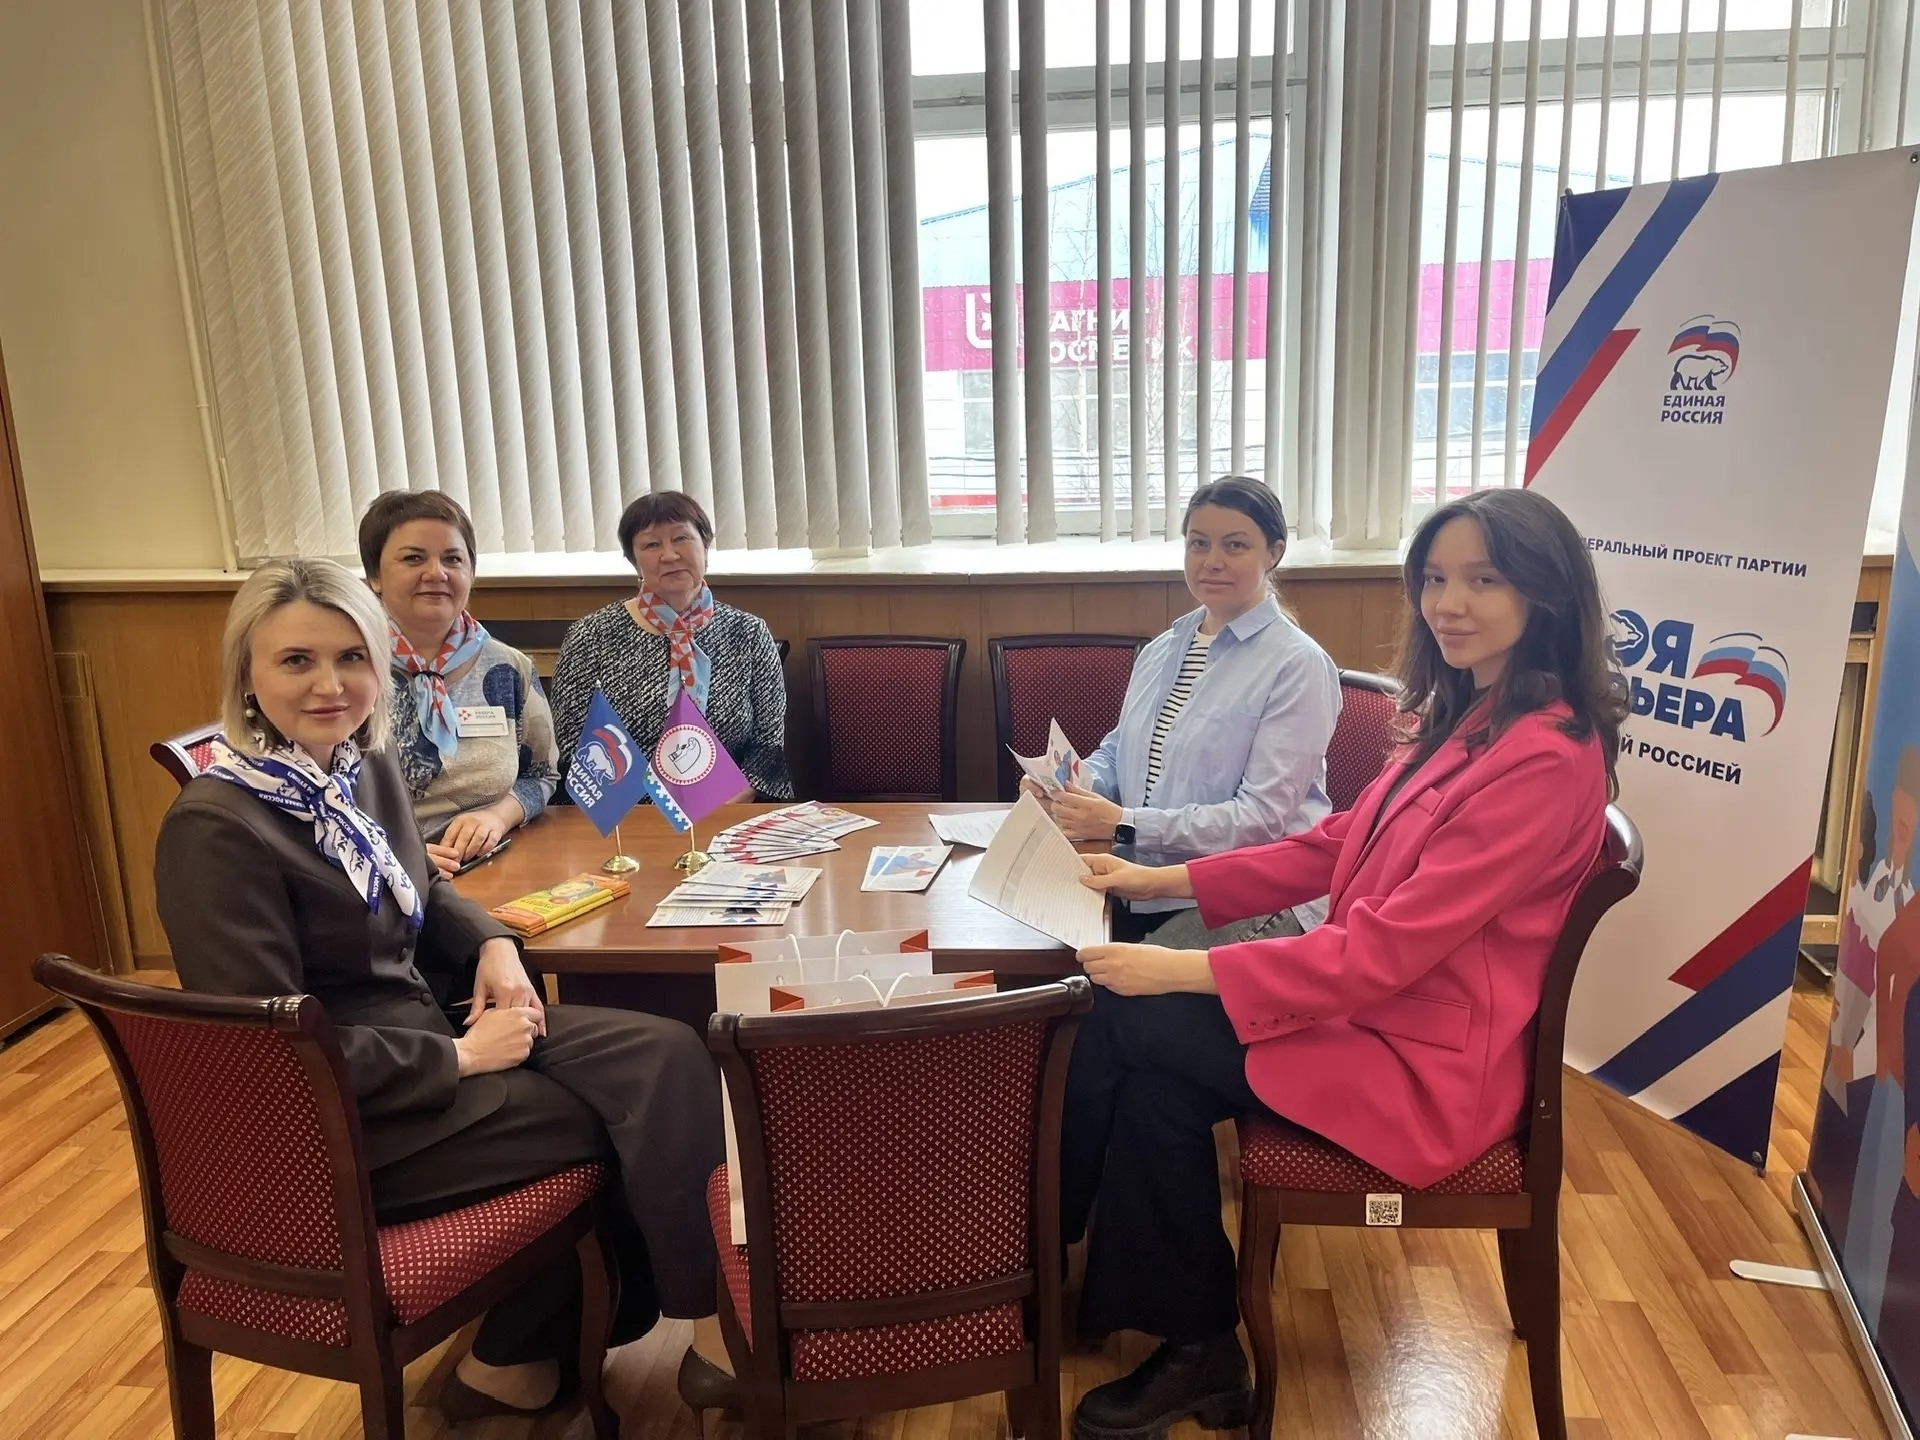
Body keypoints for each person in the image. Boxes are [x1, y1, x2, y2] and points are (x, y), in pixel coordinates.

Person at [1057, 488, 1624, 1440]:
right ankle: (1188, 1340)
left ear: (1547, 593)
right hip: (1367, 1019)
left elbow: (1382, 952)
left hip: (1420, 1066)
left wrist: (1177, 970)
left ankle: (1056, 1264)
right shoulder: (1469, 714)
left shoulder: (1543, 759)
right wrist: (1157, 880)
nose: (1449, 604)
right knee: (1150, 1077)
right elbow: (1334, 843)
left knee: (1120, 1020)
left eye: (1483, 580)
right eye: (1435, 578)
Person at [152, 558, 737, 1423]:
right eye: (297, 661)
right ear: (247, 675)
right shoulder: (215, 826)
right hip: (353, 1117)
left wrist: (494, 944)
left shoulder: (362, 766)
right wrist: (461, 1059)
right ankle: (535, 1351)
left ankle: (676, 1334)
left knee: (665, 1056)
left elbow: (420, 882)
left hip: (436, 1026)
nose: (330, 685)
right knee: (615, 1119)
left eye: (352, 658)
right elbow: (266, 1049)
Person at [1029, 477, 1340, 949]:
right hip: (1142, 880)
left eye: (1235, 545)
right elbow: (1119, 752)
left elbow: (1259, 820)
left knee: (1116, 985)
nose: (1212, 561)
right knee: (1040, 947)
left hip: (1252, 894)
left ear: (1274, 553)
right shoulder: (1162, 649)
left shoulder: (1298, 665)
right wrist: (1067, 787)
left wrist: (1123, 822)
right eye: (1198, 543)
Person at [358, 490, 559, 879]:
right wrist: (400, 857)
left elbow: (542, 774)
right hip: (377, 877)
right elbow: (317, 798)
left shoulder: (509, 667)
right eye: (413, 558)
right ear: (375, 577)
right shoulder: (347, 670)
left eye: (452, 559)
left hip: (496, 866)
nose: (436, 573)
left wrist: (498, 816)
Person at [549, 492, 792, 801]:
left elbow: (767, 746)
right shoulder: (590, 636)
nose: (670, 555)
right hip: (622, 815)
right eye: (652, 544)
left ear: (705, 547)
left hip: (729, 808)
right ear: (634, 561)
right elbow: (572, 744)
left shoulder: (749, 633)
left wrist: (721, 807)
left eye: (681, 538)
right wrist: (653, 814)